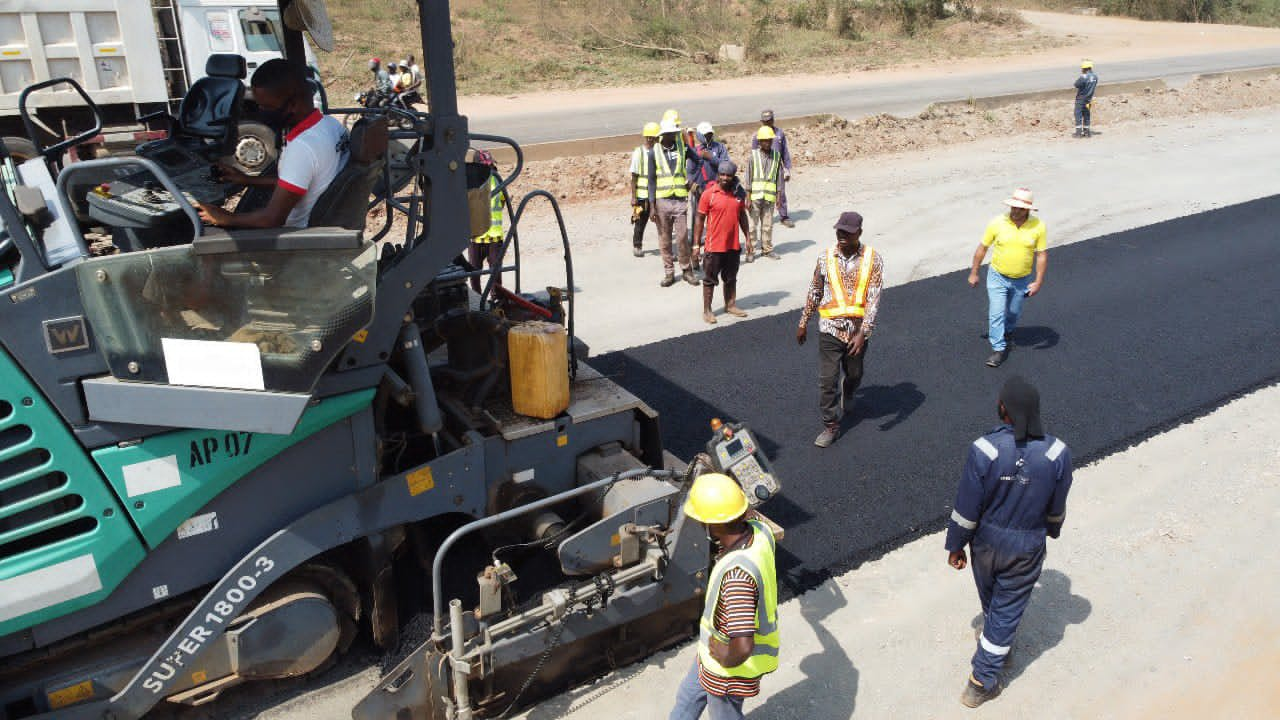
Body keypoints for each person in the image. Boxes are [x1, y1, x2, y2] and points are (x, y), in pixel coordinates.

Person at [945, 375, 1073, 708]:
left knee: (995, 606)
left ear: (1003, 409)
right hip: (1026, 545)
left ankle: (982, 674)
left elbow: (966, 506)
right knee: (1004, 612)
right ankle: (987, 668)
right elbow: (1057, 506)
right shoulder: (1058, 453)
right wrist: (1053, 530)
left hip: (985, 544)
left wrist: (956, 545)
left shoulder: (984, 449)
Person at [669, 473, 779, 720]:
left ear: (714, 524)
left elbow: (743, 646)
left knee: (723, 714)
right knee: (688, 698)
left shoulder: (737, 578)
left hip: (729, 668)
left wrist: (724, 658)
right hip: (711, 654)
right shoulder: (761, 531)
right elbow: (747, 512)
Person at [198, 59, 349, 229]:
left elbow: (272, 220)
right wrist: (246, 179)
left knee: (202, 236)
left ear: (292, 104)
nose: (261, 113)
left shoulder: (302, 148)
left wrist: (225, 217)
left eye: (266, 107)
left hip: (297, 238)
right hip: (323, 225)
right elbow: (299, 181)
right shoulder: (331, 125)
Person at [796, 211, 883, 448]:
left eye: (848, 231)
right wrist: (803, 322)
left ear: (859, 233)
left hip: (857, 331)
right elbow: (815, 290)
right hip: (829, 329)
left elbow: (874, 299)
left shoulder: (872, 259)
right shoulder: (825, 258)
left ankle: (850, 390)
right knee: (827, 381)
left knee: (854, 374)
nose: (842, 235)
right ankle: (831, 425)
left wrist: (863, 333)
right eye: (839, 230)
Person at [966, 187, 1048, 368]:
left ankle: (1008, 330)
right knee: (995, 313)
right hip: (997, 276)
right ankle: (998, 348)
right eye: (1013, 207)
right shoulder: (997, 223)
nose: (1015, 211)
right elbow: (982, 248)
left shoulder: (1038, 226)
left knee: (1013, 311)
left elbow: (1041, 255)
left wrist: (1039, 281)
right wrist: (974, 272)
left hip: (1021, 279)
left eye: (1020, 208)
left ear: (1028, 210)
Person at [693, 161, 750, 324]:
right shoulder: (708, 194)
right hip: (714, 246)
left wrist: (748, 238)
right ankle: (707, 310)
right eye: (722, 174)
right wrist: (696, 245)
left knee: (731, 277)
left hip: (732, 245)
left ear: (733, 177)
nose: (725, 178)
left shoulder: (738, 194)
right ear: (718, 175)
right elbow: (699, 219)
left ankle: (730, 304)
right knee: (710, 279)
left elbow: (742, 216)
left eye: (728, 175)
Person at [651, 118, 699, 287]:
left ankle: (687, 271)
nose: (673, 136)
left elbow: (698, 161)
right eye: (670, 133)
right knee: (664, 239)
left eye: (674, 133)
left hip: (679, 200)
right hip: (662, 201)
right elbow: (651, 180)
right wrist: (651, 206)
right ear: (663, 135)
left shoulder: (682, 148)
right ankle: (669, 273)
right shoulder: (654, 152)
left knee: (682, 237)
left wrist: (691, 180)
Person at [688, 122, 730, 268]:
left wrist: (711, 157)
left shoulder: (719, 148)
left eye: (710, 134)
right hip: (700, 191)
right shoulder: (694, 150)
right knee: (697, 222)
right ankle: (695, 251)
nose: (708, 137)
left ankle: (717, 252)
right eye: (705, 135)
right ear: (699, 135)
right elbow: (689, 173)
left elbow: (726, 167)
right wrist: (694, 188)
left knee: (717, 222)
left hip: (717, 191)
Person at [468, 149, 507, 293]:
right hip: (482, 237)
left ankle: (489, 300)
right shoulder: (496, 180)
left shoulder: (474, 182)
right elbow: (502, 203)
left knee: (483, 273)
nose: (489, 168)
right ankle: (484, 300)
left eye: (490, 166)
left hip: (486, 236)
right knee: (480, 273)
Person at [750, 110, 793, 227]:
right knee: (762, 193)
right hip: (763, 168)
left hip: (777, 167)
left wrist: (787, 169)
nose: (767, 123)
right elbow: (754, 154)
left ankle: (784, 216)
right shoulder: (757, 136)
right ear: (761, 122)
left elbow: (784, 151)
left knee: (781, 192)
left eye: (769, 121)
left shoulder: (779, 133)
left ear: (773, 120)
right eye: (765, 121)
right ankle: (763, 217)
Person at [745, 127, 782, 262]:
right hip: (755, 198)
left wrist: (779, 197)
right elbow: (748, 177)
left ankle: (767, 249)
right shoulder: (753, 156)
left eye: (769, 140)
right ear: (759, 142)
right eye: (764, 141)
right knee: (752, 226)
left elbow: (779, 178)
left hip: (769, 198)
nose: (767, 143)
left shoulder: (777, 156)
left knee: (767, 225)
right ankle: (751, 251)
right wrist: (747, 198)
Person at [629, 122, 659, 258]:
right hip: (642, 196)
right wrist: (633, 197)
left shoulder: (659, 152)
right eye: (648, 137)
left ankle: (666, 248)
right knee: (640, 222)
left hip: (658, 194)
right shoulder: (639, 152)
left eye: (652, 137)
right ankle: (637, 245)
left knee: (663, 223)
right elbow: (634, 177)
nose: (650, 139)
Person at [1074, 60, 1098, 138]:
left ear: (1084, 69)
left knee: (1078, 115)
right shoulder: (1095, 77)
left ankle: (1078, 133)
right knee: (1087, 115)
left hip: (1080, 99)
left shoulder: (1083, 77)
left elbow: (1076, 84)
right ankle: (1087, 132)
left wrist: (1082, 77)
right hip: (1088, 99)